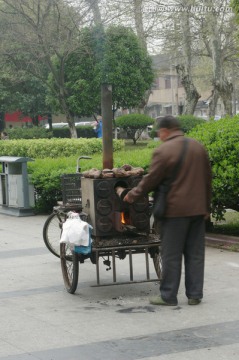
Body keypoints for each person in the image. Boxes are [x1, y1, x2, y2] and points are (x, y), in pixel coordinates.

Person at [123, 115, 212, 306]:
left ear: (165, 131)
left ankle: (168, 295)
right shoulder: (198, 147)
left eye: (159, 133)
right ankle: (195, 294)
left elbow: (151, 180)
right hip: (197, 210)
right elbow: (207, 179)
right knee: (195, 253)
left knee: (171, 254)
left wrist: (132, 195)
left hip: (175, 211)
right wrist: (207, 207)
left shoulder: (163, 151)